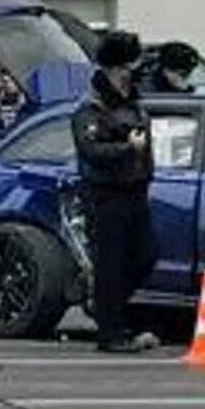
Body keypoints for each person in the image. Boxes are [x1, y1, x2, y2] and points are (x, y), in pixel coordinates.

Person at [71, 31, 159, 354]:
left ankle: (110, 310)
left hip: (136, 190)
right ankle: (111, 333)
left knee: (145, 254)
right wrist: (127, 148)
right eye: (130, 64)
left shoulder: (133, 101)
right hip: (106, 194)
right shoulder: (92, 106)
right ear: (116, 68)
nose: (135, 70)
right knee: (111, 264)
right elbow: (91, 149)